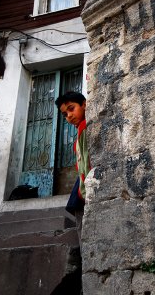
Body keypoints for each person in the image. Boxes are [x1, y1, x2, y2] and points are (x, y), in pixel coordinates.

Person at [55, 91, 91, 242]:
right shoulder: (80, 130)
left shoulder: (84, 128)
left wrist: (83, 192)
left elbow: (86, 166)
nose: (68, 116)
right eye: (64, 114)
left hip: (85, 187)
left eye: (71, 108)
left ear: (84, 104)